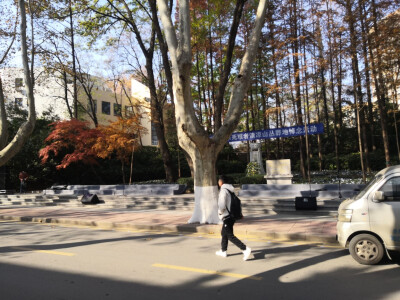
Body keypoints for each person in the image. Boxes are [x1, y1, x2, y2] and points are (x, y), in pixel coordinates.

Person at [216, 175, 251, 261]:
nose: (218, 182)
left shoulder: (223, 191)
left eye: (218, 180)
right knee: (224, 233)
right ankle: (223, 251)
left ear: (221, 182)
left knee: (230, 235)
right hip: (231, 216)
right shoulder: (230, 190)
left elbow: (222, 204)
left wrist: (220, 212)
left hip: (227, 216)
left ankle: (245, 249)